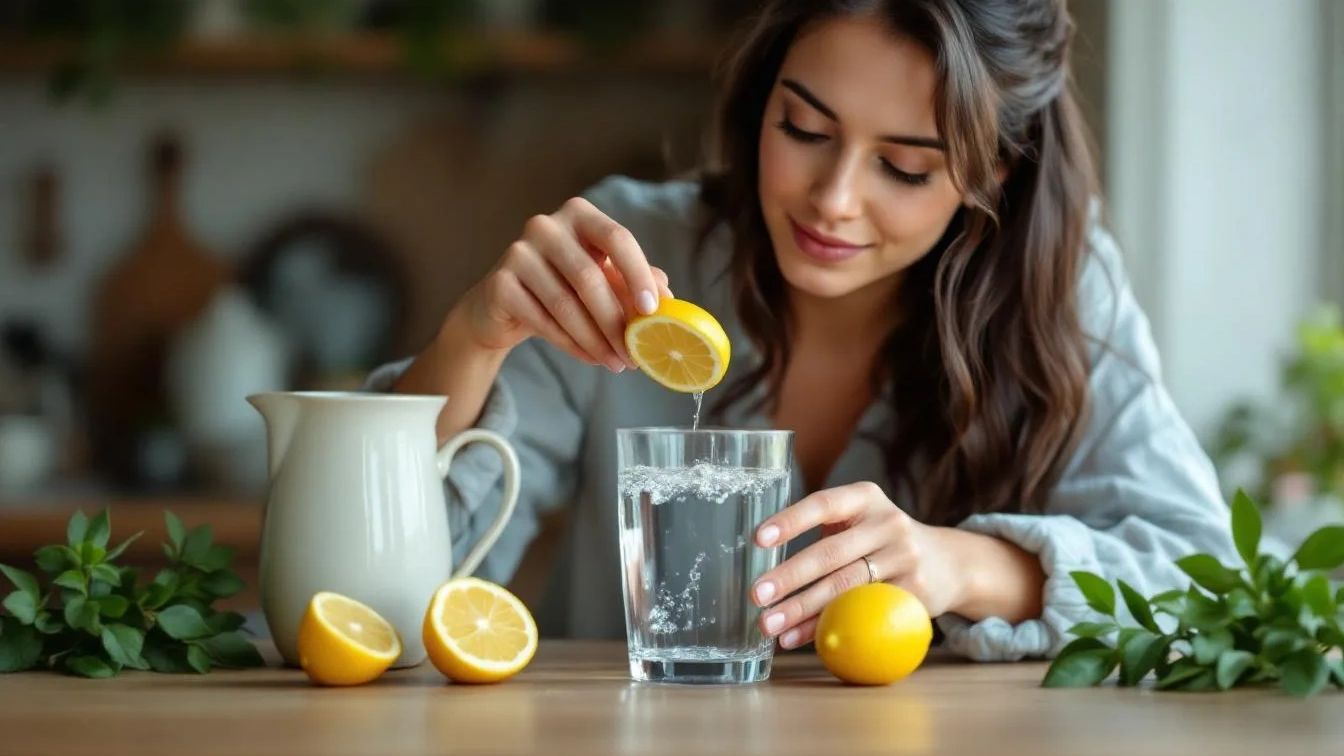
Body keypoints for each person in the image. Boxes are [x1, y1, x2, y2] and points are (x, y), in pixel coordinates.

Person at [366, 0, 1237, 661]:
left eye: (904, 166)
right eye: (805, 128)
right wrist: (471, 342)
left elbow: (1207, 578)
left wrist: (963, 567)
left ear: (994, 173)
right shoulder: (632, 259)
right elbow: (371, 596)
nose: (833, 199)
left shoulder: (1058, 292)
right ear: (760, 100)